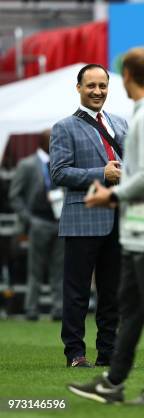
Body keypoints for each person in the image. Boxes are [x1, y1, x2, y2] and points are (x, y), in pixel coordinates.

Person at [67, 47, 144, 405]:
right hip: (137, 229)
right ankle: (113, 382)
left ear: (126, 76)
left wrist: (110, 197)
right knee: (129, 309)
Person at [50, 63, 128, 368]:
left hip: (119, 217)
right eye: (91, 86)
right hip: (82, 218)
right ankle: (75, 354)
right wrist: (102, 173)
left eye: (103, 86)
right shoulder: (64, 127)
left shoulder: (121, 123)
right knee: (77, 293)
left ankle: (109, 353)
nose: (97, 91)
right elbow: (58, 173)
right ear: (79, 88)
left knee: (113, 294)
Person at [9, 129, 64, 321]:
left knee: (59, 268)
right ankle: (31, 309)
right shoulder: (27, 164)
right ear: (43, 143)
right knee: (35, 269)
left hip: (59, 221)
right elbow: (14, 195)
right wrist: (28, 219)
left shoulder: (61, 164)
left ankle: (59, 308)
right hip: (38, 221)